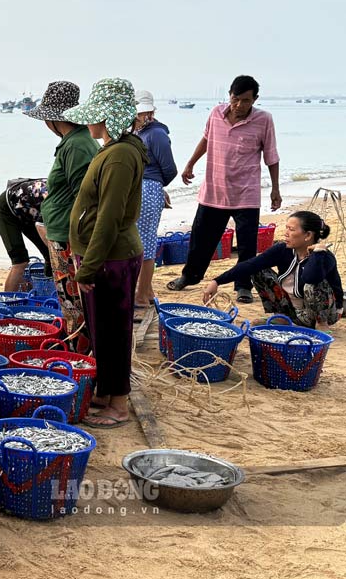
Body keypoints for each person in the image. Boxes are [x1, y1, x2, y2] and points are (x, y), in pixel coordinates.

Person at [62, 77, 147, 429]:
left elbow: (110, 216)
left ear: (109, 117)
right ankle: (107, 391)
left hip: (110, 258)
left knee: (113, 332)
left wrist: (88, 267)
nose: (89, 121)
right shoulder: (114, 149)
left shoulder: (120, 156)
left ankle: (119, 404)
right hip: (103, 256)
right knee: (102, 332)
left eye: (94, 115)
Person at [167, 75, 281, 304]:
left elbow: (271, 156)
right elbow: (206, 140)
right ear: (229, 95)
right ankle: (189, 277)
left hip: (246, 194)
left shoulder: (264, 120)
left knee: (248, 246)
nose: (239, 105)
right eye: (235, 99)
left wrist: (275, 189)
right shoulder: (216, 114)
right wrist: (190, 164)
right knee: (201, 240)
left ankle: (243, 287)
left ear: (255, 100)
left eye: (246, 100)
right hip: (213, 191)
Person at [15, 80, 99, 353]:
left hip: (67, 236)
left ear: (52, 117)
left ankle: (79, 357)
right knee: (70, 301)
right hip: (62, 231)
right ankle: (78, 351)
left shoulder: (76, 145)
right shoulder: (73, 142)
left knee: (73, 302)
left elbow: (83, 197)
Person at [202, 212, 342, 328]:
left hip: (326, 313)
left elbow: (312, 278)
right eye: (286, 228)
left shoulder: (324, 257)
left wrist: (317, 253)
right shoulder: (283, 250)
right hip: (295, 310)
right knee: (257, 270)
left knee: (314, 282)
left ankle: (321, 324)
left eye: (291, 230)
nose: (286, 233)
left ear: (308, 236)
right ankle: (283, 317)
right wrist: (217, 281)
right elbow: (250, 264)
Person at [132, 90, 177, 311]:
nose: (142, 116)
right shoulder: (140, 132)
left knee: (145, 244)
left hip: (148, 188)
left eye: (144, 113)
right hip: (142, 188)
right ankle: (147, 291)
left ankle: (140, 295)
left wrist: (156, 186)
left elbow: (170, 169)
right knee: (139, 241)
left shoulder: (156, 134)